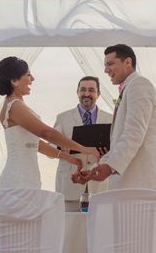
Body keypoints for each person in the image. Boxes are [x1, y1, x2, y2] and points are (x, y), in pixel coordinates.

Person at [0, 56, 100, 189]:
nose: (32, 78)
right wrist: (85, 149)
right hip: (19, 180)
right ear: (14, 81)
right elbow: (46, 133)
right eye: (28, 74)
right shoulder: (15, 106)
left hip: (26, 177)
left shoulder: (13, 105)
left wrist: (69, 158)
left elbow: (36, 145)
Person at [72, 44, 156, 190]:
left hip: (143, 182)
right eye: (105, 65)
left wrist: (110, 167)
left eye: (110, 64)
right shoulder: (128, 88)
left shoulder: (139, 85)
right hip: (133, 184)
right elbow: (118, 142)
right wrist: (95, 169)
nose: (106, 70)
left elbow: (134, 133)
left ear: (128, 62)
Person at [53, 76, 113, 211]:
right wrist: (61, 147)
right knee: (70, 228)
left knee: (99, 227)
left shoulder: (110, 119)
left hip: (99, 185)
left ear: (98, 94)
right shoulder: (62, 118)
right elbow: (51, 148)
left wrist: (108, 152)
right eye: (83, 90)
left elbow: (117, 148)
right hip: (70, 183)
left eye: (91, 90)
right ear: (77, 92)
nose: (87, 94)